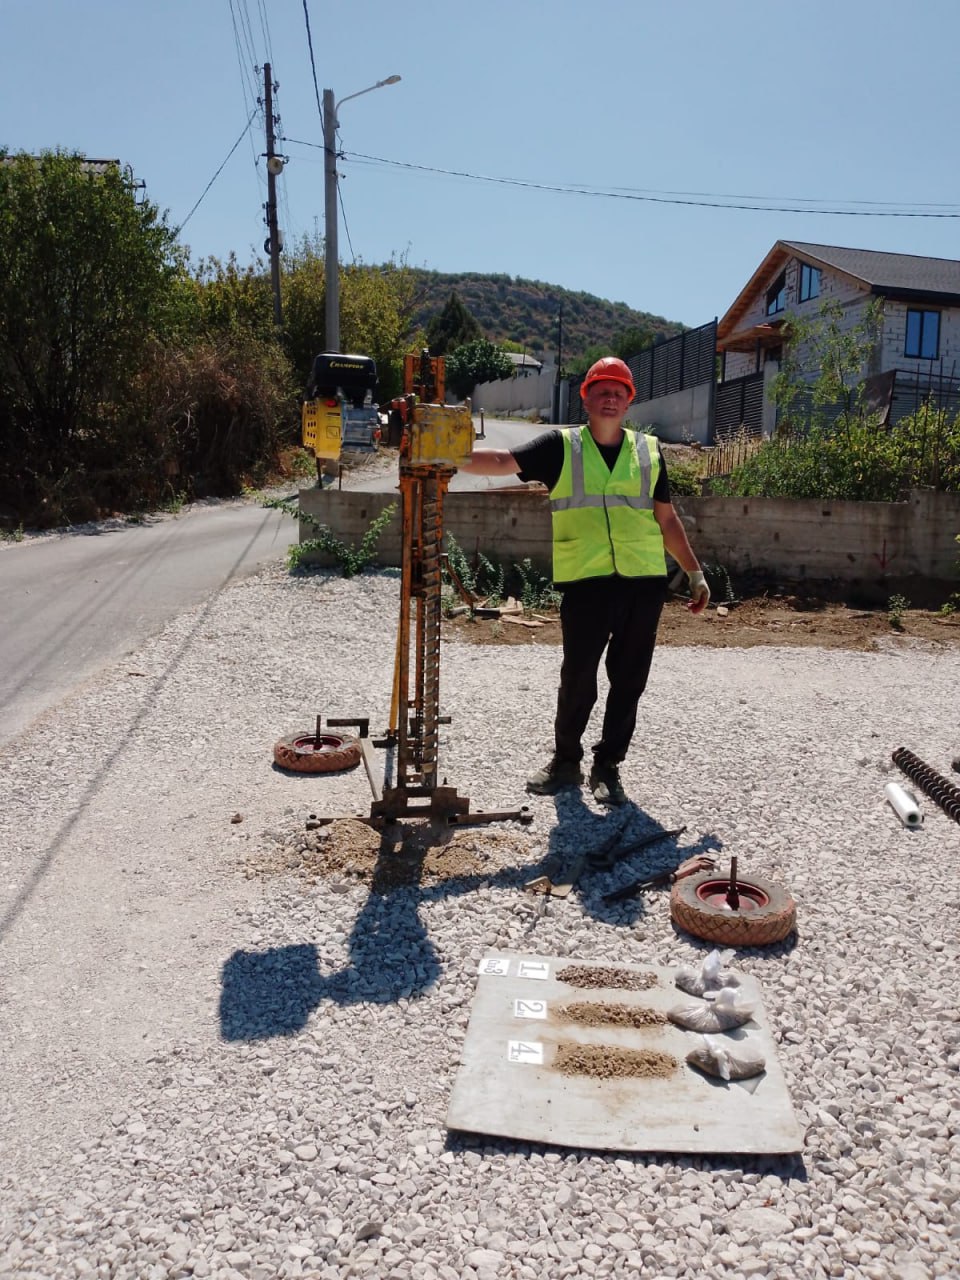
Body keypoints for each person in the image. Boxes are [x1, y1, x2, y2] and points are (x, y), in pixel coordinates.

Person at [459, 355, 709, 806]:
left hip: (642, 583)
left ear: (629, 401)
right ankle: (566, 761)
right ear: (586, 398)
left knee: (629, 680)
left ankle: (608, 765)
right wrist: (441, 455)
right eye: (602, 391)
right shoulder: (562, 446)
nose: (610, 398)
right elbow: (501, 460)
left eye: (618, 392)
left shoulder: (648, 451)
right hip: (586, 583)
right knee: (577, 677)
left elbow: (667, 519)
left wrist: (694, 572)